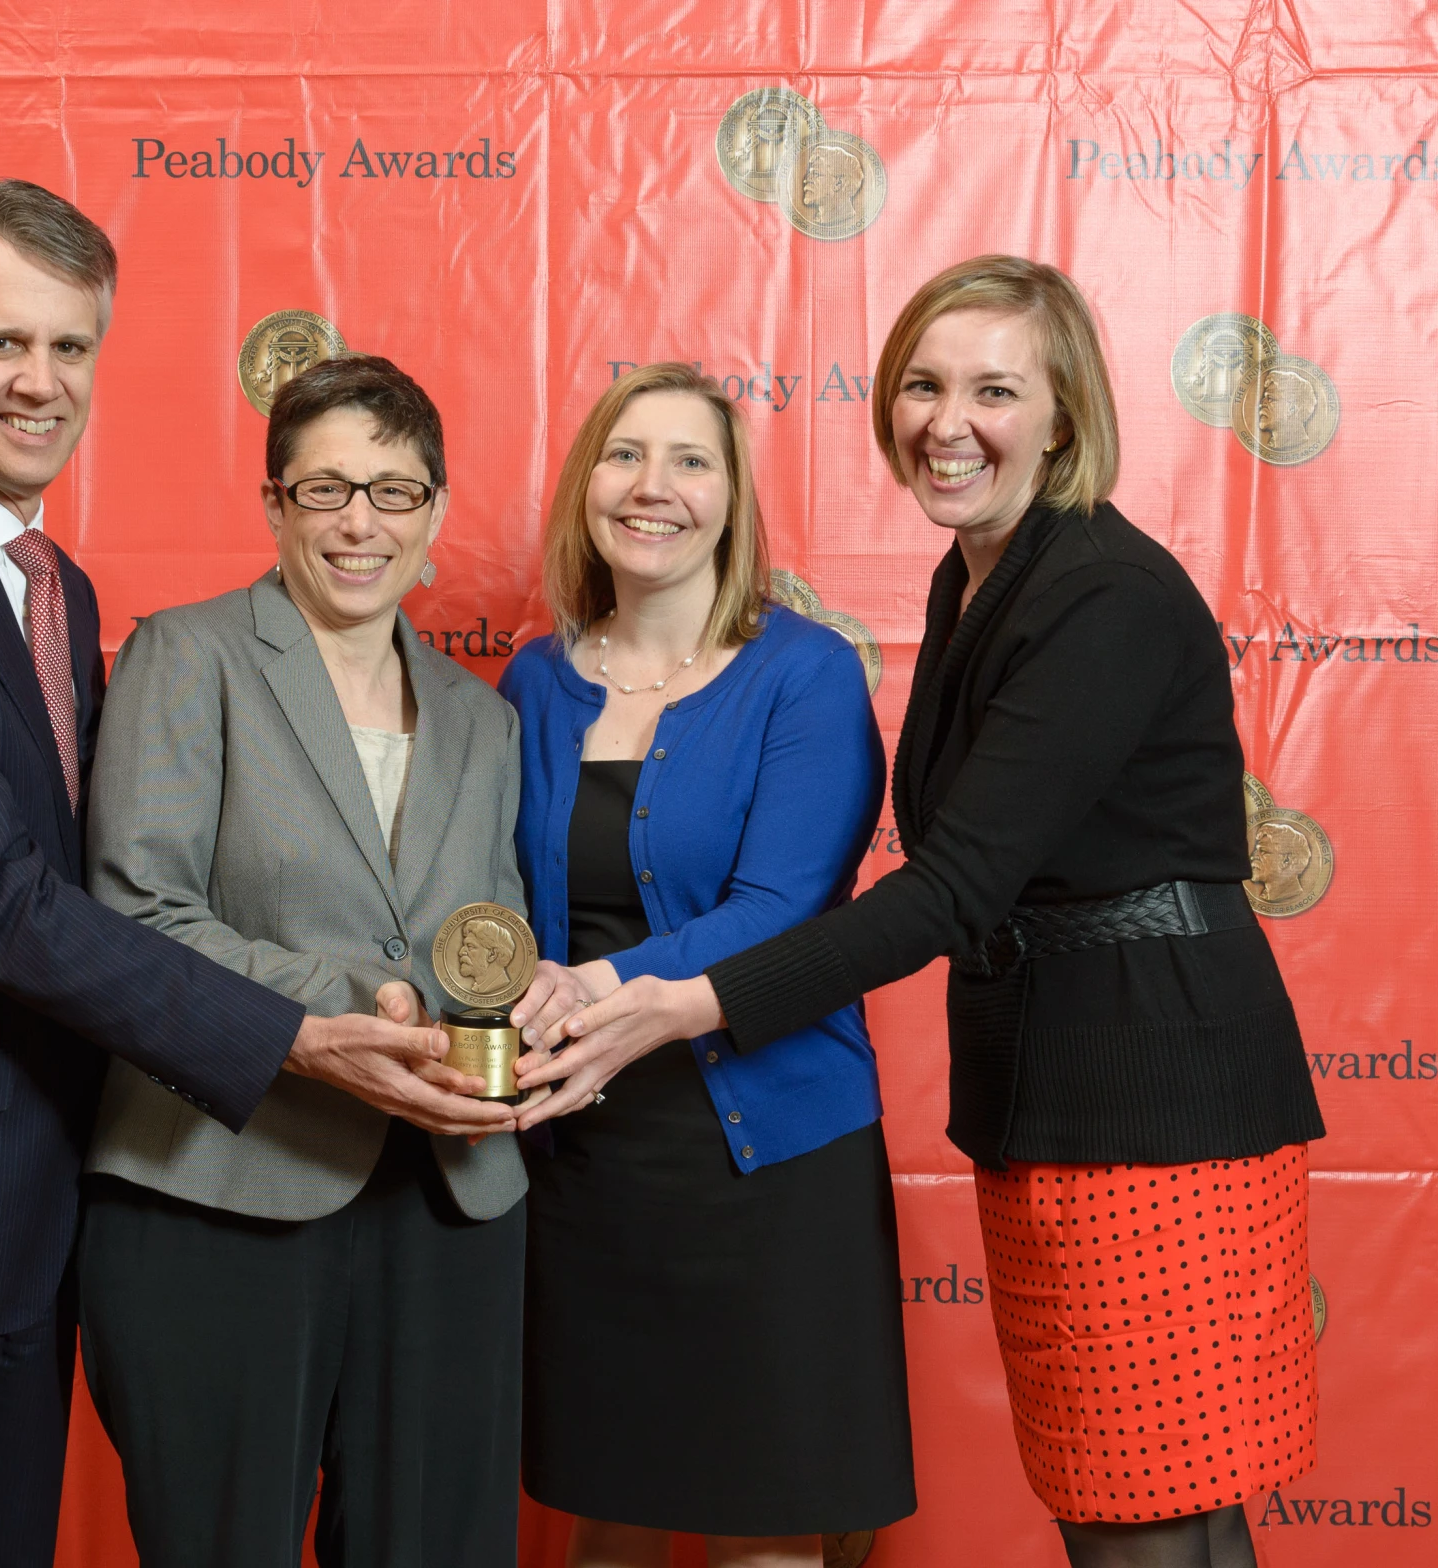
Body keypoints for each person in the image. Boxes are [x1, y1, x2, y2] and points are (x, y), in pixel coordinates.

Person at [0, 183, 463, 1568]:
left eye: (70, 348)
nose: (39, 382)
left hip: (23, 1199)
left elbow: (103, 878)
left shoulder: (55, 583)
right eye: (1, 345)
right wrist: (290, 1035)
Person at [532, 259, 1326, 1568]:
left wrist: (686, 1000)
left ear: (1064, 416)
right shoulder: (984, 577)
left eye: (994, 391)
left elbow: (953, 888)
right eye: (921, 384)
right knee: (1114, 1498)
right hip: (1057, 1088)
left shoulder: (1102, 596)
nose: (946, 421)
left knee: (1153, 1514)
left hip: (1155, 1093)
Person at [77, 354, 527, 1567]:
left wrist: (536, 1015)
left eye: (393, 489)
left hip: (448, 1201)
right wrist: (349, 1011)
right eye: (325, 487)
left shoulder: (485, 718)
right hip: (228, 1185)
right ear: (272, 503)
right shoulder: (187, 655)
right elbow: (138, 911)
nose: (359, 521)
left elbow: (497, 940)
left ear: (434, 510)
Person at [498, 362, 914, 1568]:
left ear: (732, 499)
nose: (655, 487)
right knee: (606, 1514)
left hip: (770, 1157)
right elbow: (506, 905)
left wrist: (586, 985)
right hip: (590, 1155)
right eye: (627, 456)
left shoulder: (808, 671)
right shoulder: (533, 678)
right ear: (588, 488)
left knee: (768, 1533)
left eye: (691, 461)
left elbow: (784, 906)